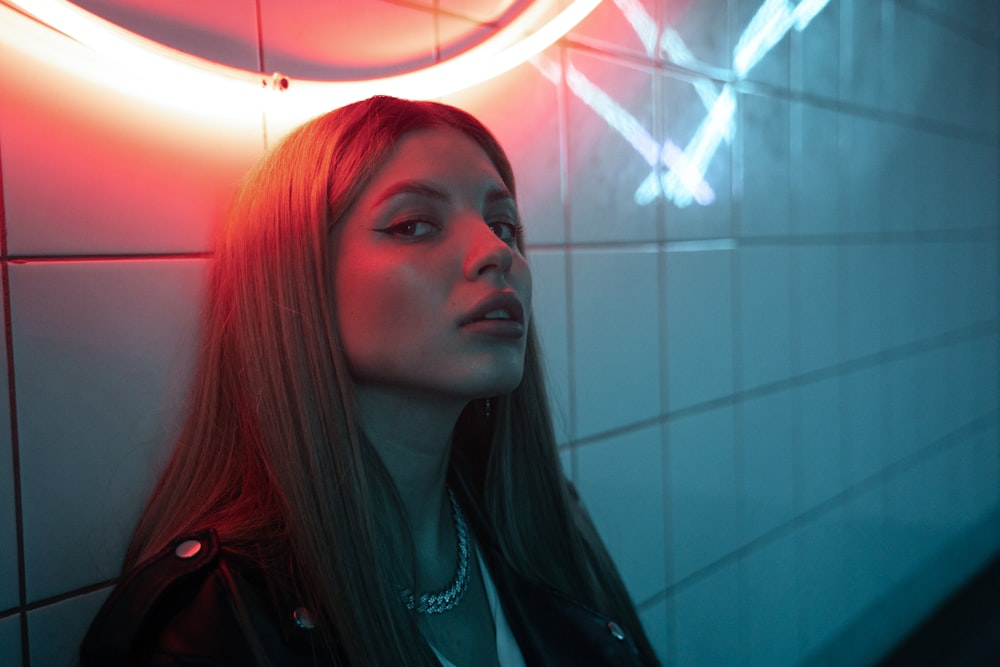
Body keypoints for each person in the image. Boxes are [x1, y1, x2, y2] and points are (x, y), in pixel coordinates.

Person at [80, 95, 660, 666]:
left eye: (503, 224)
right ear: (298, 282)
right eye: (414, 225)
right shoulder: (209, 624)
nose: (495, 253)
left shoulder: (548, 527)